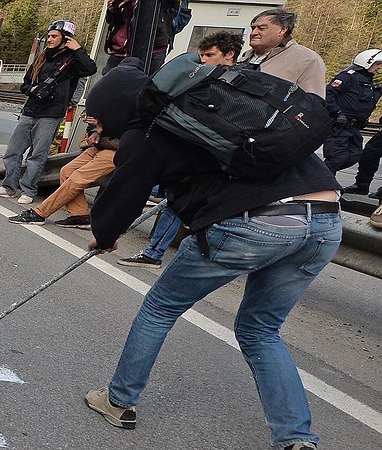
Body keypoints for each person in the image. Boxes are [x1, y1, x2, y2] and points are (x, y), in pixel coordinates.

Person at [84, 38, 339, 450]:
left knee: (161, 307)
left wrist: (104, 236)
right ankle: (296, 439)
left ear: (115, 109)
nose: (95, 127)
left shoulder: (147, 130)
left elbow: (123, 195)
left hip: (256, 224)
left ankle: (119, 401)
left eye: (97, 119)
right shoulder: (226, 98)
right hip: (325, 219)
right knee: (261, 330)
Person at [118, 31, 241, 269]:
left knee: (178, 205)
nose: (204, 60)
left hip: (216, 161)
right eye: (202, 55)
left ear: (229, 55)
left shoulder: (238, 83)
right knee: (171, 199)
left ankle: (156, 254)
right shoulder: (207, 78)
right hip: (192, 154)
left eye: (210, 55)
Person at [0, 20, 95, 203]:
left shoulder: (73, 60)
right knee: (13, 150)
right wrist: (33, 90)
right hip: (30, 110)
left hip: (51, 114)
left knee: (38, 154)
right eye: (49, 36)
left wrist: (78, 49)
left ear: (65, 39)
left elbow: (90, 69)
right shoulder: (42, 57)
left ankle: (28, 190)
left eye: (54, 36)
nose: (49, 39)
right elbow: (25, 84)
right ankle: (8, 186)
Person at [321, 48, 379, 175]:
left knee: (355, 155)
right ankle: (321, 185)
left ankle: (321, 178)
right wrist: (337, 113)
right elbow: (329, 93)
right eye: (377, 64)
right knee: (337, 157)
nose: (378, 68)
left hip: (354, 127)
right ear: (367, 62)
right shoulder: (348, 76)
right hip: (340, 125)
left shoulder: (368, 82)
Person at [241, 9, 324, 96]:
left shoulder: (308, 59)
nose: (253, 33)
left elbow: (313, 103)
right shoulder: (245, 56)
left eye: (261, 28)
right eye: (253, 28)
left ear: (282, 30)